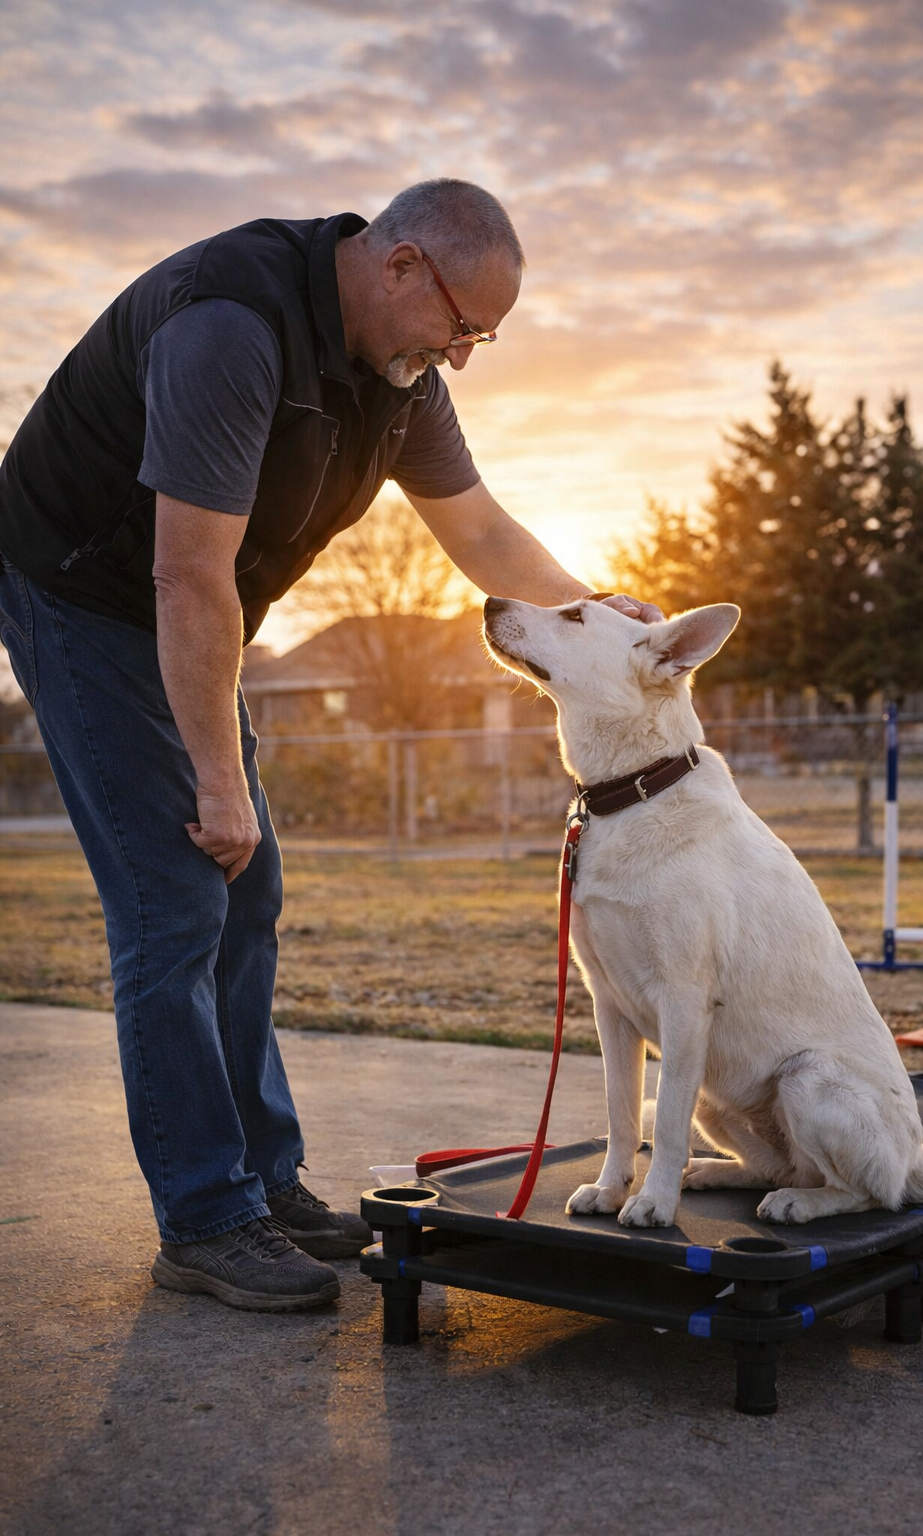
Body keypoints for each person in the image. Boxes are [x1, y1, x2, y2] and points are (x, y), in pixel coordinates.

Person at [0, 179, 660, 1312]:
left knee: (248, 893)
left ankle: (264, 1183)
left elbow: (484, 532)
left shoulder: (399, 380)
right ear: (400, 264)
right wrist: (220, 778)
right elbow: (186, 575)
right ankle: (205, 1219)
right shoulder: (230, 330)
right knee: (178, 895)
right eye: (461, 325)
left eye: (482, 338)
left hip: (191, 606)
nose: (462, 355)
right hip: (82, 590)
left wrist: (595, 608)